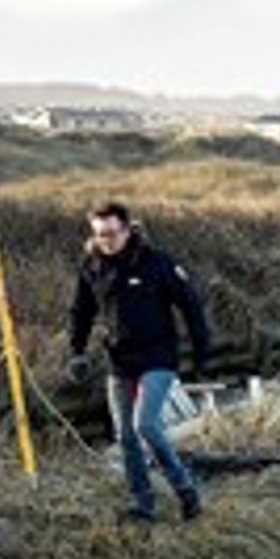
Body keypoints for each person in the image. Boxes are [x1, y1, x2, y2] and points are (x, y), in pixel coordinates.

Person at [68, 202, 212, 524]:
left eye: (112, 233)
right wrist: (76, 351)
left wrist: (201, 354)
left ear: (127, 229)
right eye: (100, 235)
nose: (106, 241)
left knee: (145, 425)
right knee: (126, 438)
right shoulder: (91, 267)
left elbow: (191, 306)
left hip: (158, 356)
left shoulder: (156, 263)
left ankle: (184, 488)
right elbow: (81, 312)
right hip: (120, 360)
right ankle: (142, 506)